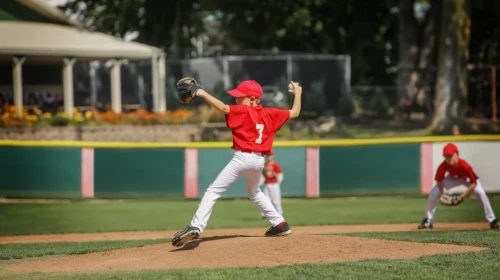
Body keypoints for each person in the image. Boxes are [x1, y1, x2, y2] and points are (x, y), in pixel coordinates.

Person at [172, 79, 303, 247]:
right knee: (255, 192)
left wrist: (202, 93)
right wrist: (298, 93)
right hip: (258, 161)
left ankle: (196, 226)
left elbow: (223, 108)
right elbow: (294, 112)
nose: (236, 99)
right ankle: (280, 224)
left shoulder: (244, 111)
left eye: (240, 97)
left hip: (242, 158)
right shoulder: (270, 113)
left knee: (213, 191)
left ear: (252, 99)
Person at [418, 143, 499, 230]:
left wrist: (461, 197)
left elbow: (474, 183)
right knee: (434, 192)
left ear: (457, 154)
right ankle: (428, 220)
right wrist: (444, 192)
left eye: (450, 156)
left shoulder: (465, 165)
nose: (448, 159)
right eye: (446, 156)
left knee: (480, 192)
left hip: (467, 179)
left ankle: (492, 220)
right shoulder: (443, 165)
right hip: (453, 178)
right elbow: (439, 180)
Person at [259, 149, 284, 218]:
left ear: (273, 156)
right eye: (268, 155)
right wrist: (260, 182)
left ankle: (279, 213)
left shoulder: (275, 165)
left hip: (274, 184)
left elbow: (280, 175)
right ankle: (265, 215)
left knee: (276, 200)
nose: (269, 157)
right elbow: (262, 176)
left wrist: (276, 178)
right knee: (266, 200)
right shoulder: (264, 165)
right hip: (267, 184)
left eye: (270, 155)